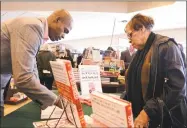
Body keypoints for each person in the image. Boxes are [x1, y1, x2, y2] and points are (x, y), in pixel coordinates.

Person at [1, 9, 73, 117]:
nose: (63, 36)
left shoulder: (37, 31)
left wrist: (42, 96)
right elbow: (23, 78)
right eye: (65, 30)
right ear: (57, 20)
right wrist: (57, 101)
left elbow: (31, 69)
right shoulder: (32, 27)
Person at [122, 13, 186, 127]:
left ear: (141, 29)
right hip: (143, 118)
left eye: (130, 35)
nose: (129, 41)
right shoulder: (141, 52)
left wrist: (149, 111)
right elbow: (135, 83)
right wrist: (122, 100)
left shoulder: (167, 46)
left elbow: (177, 87)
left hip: (165, 121)